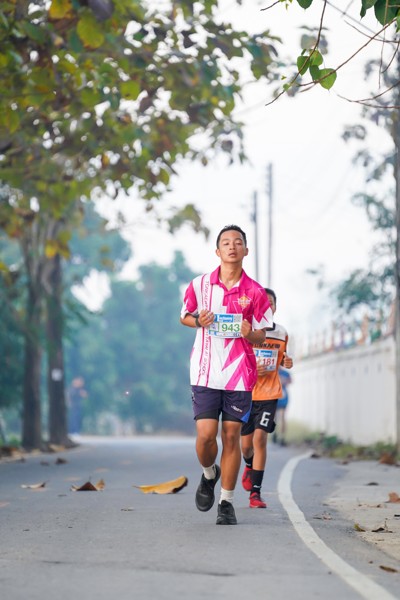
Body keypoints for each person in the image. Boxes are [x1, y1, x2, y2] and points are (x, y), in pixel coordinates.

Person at [180, 225, 273, 525]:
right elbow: (185, 316)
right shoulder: (200, 285)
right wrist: (198, 320)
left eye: (238, 242)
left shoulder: (256, 292)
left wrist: (249, 333)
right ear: (217, 251)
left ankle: (226, 502)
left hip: (240, 374)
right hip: (205, 371)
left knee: (231, 436)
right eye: (226, 243)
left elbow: (262, 335)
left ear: (246, 250)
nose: (232, 247)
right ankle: (210, 474)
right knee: (206, 436)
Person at [241, 288, 293, 508]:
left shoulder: (281, 333)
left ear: (275, 307)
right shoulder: (246, 329)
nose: (267, 305)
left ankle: (255, 493)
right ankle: (249, 466)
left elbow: (282, 358)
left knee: (260, 438)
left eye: (270, 302)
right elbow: (236, 360)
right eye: (263, 302)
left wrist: (286, 362)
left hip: (269, 394)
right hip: (245, 394)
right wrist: (252, 368)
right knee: (246, 447)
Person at [273, 366, 292, 446]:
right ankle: (274, 434)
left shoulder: (285, 373)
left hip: (282, 397)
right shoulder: (271, 371)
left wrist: (282, 381)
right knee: (274, 418)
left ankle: (282, 437)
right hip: (273, 396)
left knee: (282, 417)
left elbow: (289, 381)